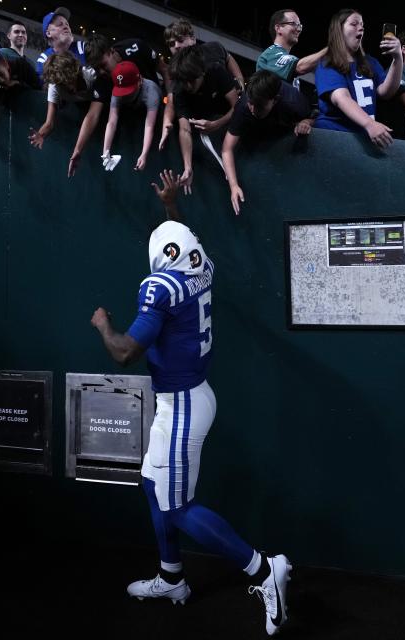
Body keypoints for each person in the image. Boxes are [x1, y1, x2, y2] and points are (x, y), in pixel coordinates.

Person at [90, 168, 292, 637]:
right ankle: (171, 578)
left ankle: (264, 571)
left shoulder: (158, 288)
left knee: (177, 506)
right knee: (151, 485)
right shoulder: (202, 268)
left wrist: (103, 323)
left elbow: (124, 352)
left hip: (181, 405)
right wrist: (171, 207)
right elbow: (184, 250)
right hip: (183, 400)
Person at [222, 70, 314, 215]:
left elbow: (313, 117)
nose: (253, 110)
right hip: (258, 146)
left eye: (259, 107)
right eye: (251, 104)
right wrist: (233, 186)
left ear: (275, 100)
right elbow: (227, 149)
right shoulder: (244, 106)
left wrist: (305, 122)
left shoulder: (293, 102)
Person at [312, 9, 405, 148]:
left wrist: (398, 58)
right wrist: (370, 124)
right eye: (354, 24)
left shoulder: (370, 62)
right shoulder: (327, 64)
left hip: (362, 136)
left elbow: (386, 92)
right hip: (334, 136)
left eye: (362, 24)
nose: (361, 27)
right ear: (339, 30)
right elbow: (341, 98)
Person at [169, 45, 240, 194]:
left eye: (192, 81)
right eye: (183, 81)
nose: (188, 86)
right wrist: (188, 166)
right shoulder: (179, 88)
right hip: (201, 121)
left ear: (202, 72)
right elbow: (184, 129)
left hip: (224, 116)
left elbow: (238, 107)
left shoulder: (216, 71)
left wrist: (216, 124)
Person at [0, 46, 41, 168]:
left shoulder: (22, 65)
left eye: (1, 74)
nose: (1, 80)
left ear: (5, 63)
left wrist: (19, 85)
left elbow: (40, 89)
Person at [101, 61, 161, 171]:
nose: (124, 95)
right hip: (130, 114)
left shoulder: (151, 92)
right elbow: (112, 122)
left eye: (128, 91)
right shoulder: (117, 92)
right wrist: (106, 151)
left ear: (140, 81)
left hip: (153, 115)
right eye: (121, 92)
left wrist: (144, 154)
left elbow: (149, 126)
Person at [256, 9, 325, 86]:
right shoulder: (269, 55)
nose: (299, 29)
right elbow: (300, 67)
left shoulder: (284, 57)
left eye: (299, 26)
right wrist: (331, 49)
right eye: (293, 24)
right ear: (278, 28)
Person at [35, 6, 85, 77]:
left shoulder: (83, 47)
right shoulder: (44, 59)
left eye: (67, 24)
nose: (66, 26)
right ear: (49, 33)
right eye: (59, 24)